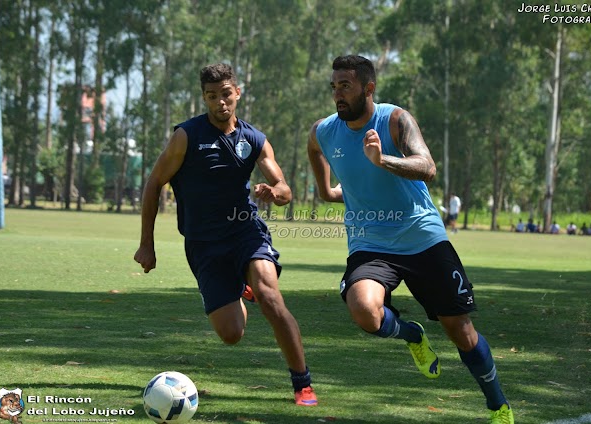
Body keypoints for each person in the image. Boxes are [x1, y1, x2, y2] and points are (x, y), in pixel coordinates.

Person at [307, 55, 513, 423]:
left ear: (368, 88)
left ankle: (498, 406)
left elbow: (428, 167)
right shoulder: (324, 131)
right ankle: (412, 334)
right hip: (370, 242)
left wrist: (382, 159)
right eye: (334, 86)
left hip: (422, 237)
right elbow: (314, 149)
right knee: (364, 311)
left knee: (460, 331)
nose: (338, 94)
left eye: (346, 86)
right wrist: (328, 190)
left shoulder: (395, 119)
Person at [134, 63, 317, 406]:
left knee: (270, 296)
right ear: (204, 97)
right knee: (231, 334)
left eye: (226, 94)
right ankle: (238, 285)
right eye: (211, 96)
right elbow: (154, 182)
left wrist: (275, 193)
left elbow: (284, 189)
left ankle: (302, 383)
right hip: (204, 244)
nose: (220, 102)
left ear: (238, 93)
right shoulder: (186, 137)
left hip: (246, 231)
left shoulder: (254, 138)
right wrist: (147, 244)